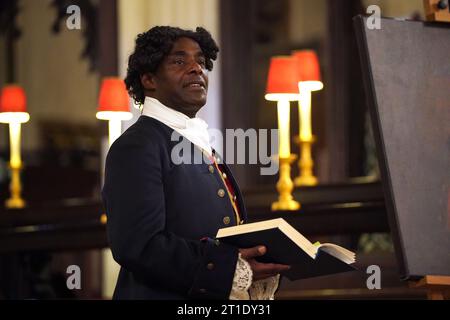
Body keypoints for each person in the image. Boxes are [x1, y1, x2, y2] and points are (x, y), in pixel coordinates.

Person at [102, 26, 290, 300]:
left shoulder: (198, 139)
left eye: (201, 62)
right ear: (148, 79)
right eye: (179, 61)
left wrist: (257, 260)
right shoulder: (137, 146)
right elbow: (138, 246)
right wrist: (229, 267)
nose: (196, 69)